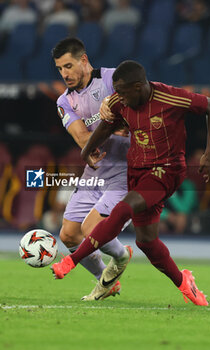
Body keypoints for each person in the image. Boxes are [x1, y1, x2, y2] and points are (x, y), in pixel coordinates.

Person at [51, 60, 210, 306]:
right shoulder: (121, 101)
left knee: (122, 209)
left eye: (122, 91)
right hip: (137, 171)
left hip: (166, 171)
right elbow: (107, 126)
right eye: (115, 91)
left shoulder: (172, 97)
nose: (116, 96)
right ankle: (185, 282)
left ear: (139, 87)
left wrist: (209, 152)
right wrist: (87, 149)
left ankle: (71, 261)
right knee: (147, 242)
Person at [51, 38, 132, 301]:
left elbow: (136, 118)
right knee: (68, 234)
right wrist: (110, 125)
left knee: (91, 230)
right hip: (94, 173)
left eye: (68, 66)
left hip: (125, 170)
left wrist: (118, 125)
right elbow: (84, 139)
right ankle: (106, 281)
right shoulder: (64, 101)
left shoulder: (112, 79)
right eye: (60, 69)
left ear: (83, 60)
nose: (64, 74)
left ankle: (121, 257)